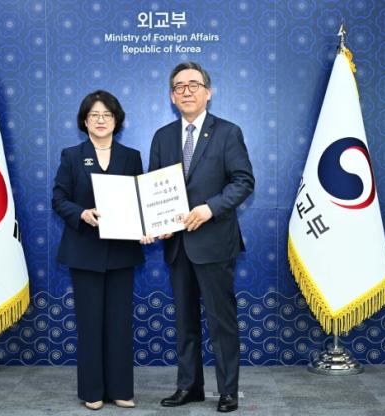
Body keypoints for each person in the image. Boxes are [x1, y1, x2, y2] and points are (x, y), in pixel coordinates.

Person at [146, 62, 254, 413]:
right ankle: (189, 386)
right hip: (177, 245)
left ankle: (228, 391)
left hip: (215, 242)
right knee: (185, 321)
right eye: (179, 86)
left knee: (221, 322)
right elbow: (154, 187)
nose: (187, 91)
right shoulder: (162, 136)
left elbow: (243, 181)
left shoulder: (228, 132)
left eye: (194, 84)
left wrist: (210, 208)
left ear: (208, 92)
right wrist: (157, 222)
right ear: (171, 97)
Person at [52, 90, 144, 411]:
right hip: (84, 251)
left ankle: (121, 390)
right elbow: (59, 199)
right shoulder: (71, 156)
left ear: (116, 120)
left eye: (107, 114)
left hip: (121, 251)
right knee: (90, 324)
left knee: (119, 324)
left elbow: (140, 201)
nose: (101, 120)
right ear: (84, 121)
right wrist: (81, 213)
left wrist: (146, 226)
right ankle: (92, 391)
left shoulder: (131, 157)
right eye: (94, 115)